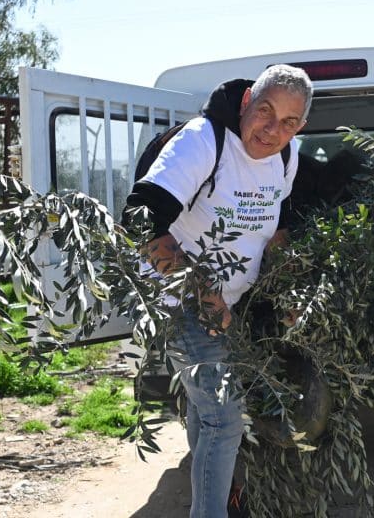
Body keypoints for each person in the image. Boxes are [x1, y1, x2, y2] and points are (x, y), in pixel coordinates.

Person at [125, 64, 312, 518]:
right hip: (178, 299)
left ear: (300, 127)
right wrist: (204, 295)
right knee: (224, 418)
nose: (272, 130)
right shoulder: (203, 142)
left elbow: (277, 225)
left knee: (207, 411)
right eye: (265, 112)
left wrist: (285, 286)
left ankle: (216, 499)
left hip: (227, 300)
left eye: (289, 122)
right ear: (247, 100)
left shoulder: (287, 157)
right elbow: (142, 222)